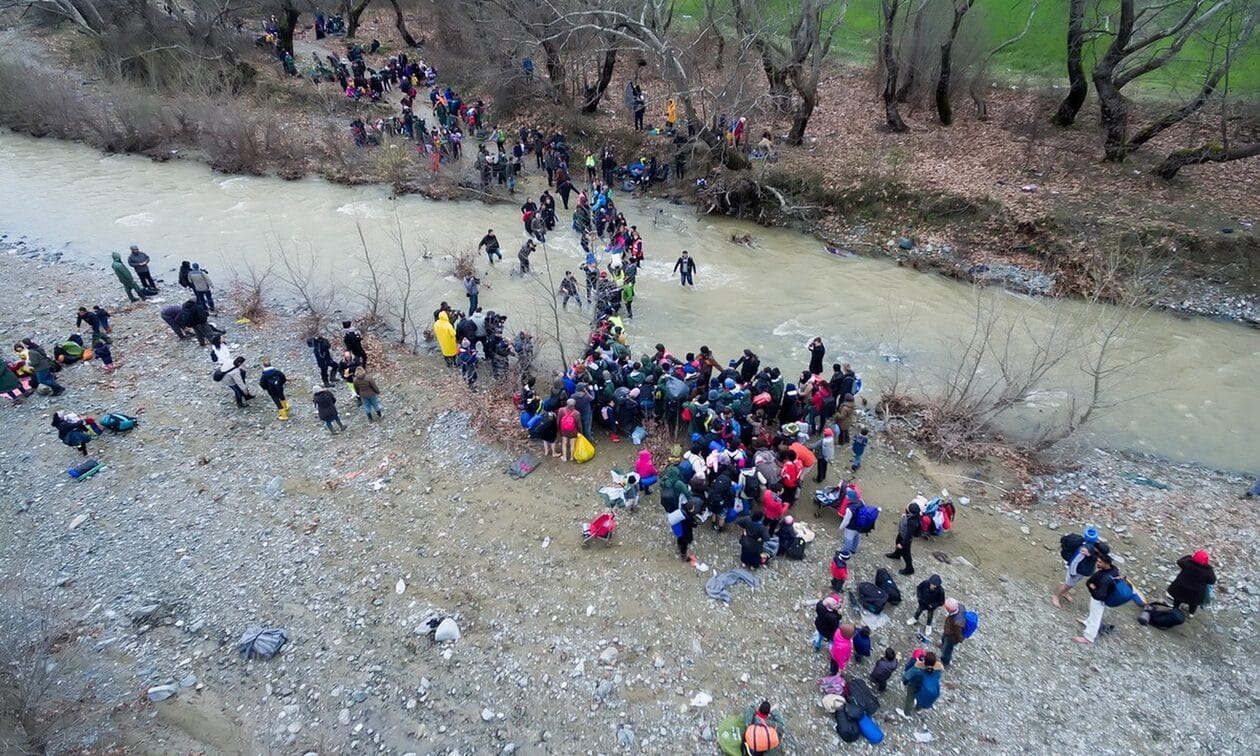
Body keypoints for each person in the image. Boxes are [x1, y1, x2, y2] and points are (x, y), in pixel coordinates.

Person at [1075, 546, 1119, 645]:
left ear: (1106, 563)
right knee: (1093, 612)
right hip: (1101, 597)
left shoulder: (1105, 579)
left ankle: (1089, 637)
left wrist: (1092, 587)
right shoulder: (1113, 570)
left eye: (1099, 562)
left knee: (1096, 617)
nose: (1097, 563)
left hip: (1100, 600)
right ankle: (1088, 622)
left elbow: (1099, 595)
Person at [1053, 527, 1102, 608]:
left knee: (1071, 584)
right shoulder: (1083, 550)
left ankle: (1064, 593)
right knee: (1067, 584)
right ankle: (1056, 596)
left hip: (1082, 571)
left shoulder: (1093, 547)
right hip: (1076, 571)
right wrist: (1072, 573)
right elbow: (1074, 562)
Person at [1167, 550, 1216, 617]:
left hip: (1181, 587)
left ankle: (1175, 608)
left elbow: (1179, 561)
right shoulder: (1208, 570)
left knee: (1178, 598)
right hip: (1196, 592)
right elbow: (1212, 581)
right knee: (1193, 603)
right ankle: (1191, 613)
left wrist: (1189, 556)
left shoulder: (1187, 563)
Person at [899, 651, 944, 717]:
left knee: (910, 698)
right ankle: (918, 709)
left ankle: (906, 713)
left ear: (925, 661)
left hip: (914, 685)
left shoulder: (917, 668)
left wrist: (903, 681)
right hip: (924, 687)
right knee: (921, 695)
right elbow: (938, 677)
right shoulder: (939, 669)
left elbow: (907, 675)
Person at [886, 500, 921, 576]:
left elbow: (909, 535)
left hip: (905, 539)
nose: (907, 506)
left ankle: (909, 569)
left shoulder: (912, 522)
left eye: (908, 507)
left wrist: (902, 544)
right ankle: (897, 554)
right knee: (897, 542)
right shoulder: (912, 515)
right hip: (902, 533)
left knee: (906, 554)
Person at [939, 597, 967, 665]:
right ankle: (942, 645)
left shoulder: (957, 623)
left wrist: (960, 639)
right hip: (948, 632)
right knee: (944, 638)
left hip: (951, 637)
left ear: (949, 610)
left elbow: (958, 633)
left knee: (947, 650)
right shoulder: (961, 607)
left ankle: (945, 661)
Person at [675, 498, 697, 562]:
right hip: (686, 532)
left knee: (680, 538)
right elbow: (693, 525)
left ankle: (679, 545)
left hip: (680, 528)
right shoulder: (689, 516)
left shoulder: (682, 511)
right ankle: (683, 555)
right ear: (690, 509)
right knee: (685, 543)